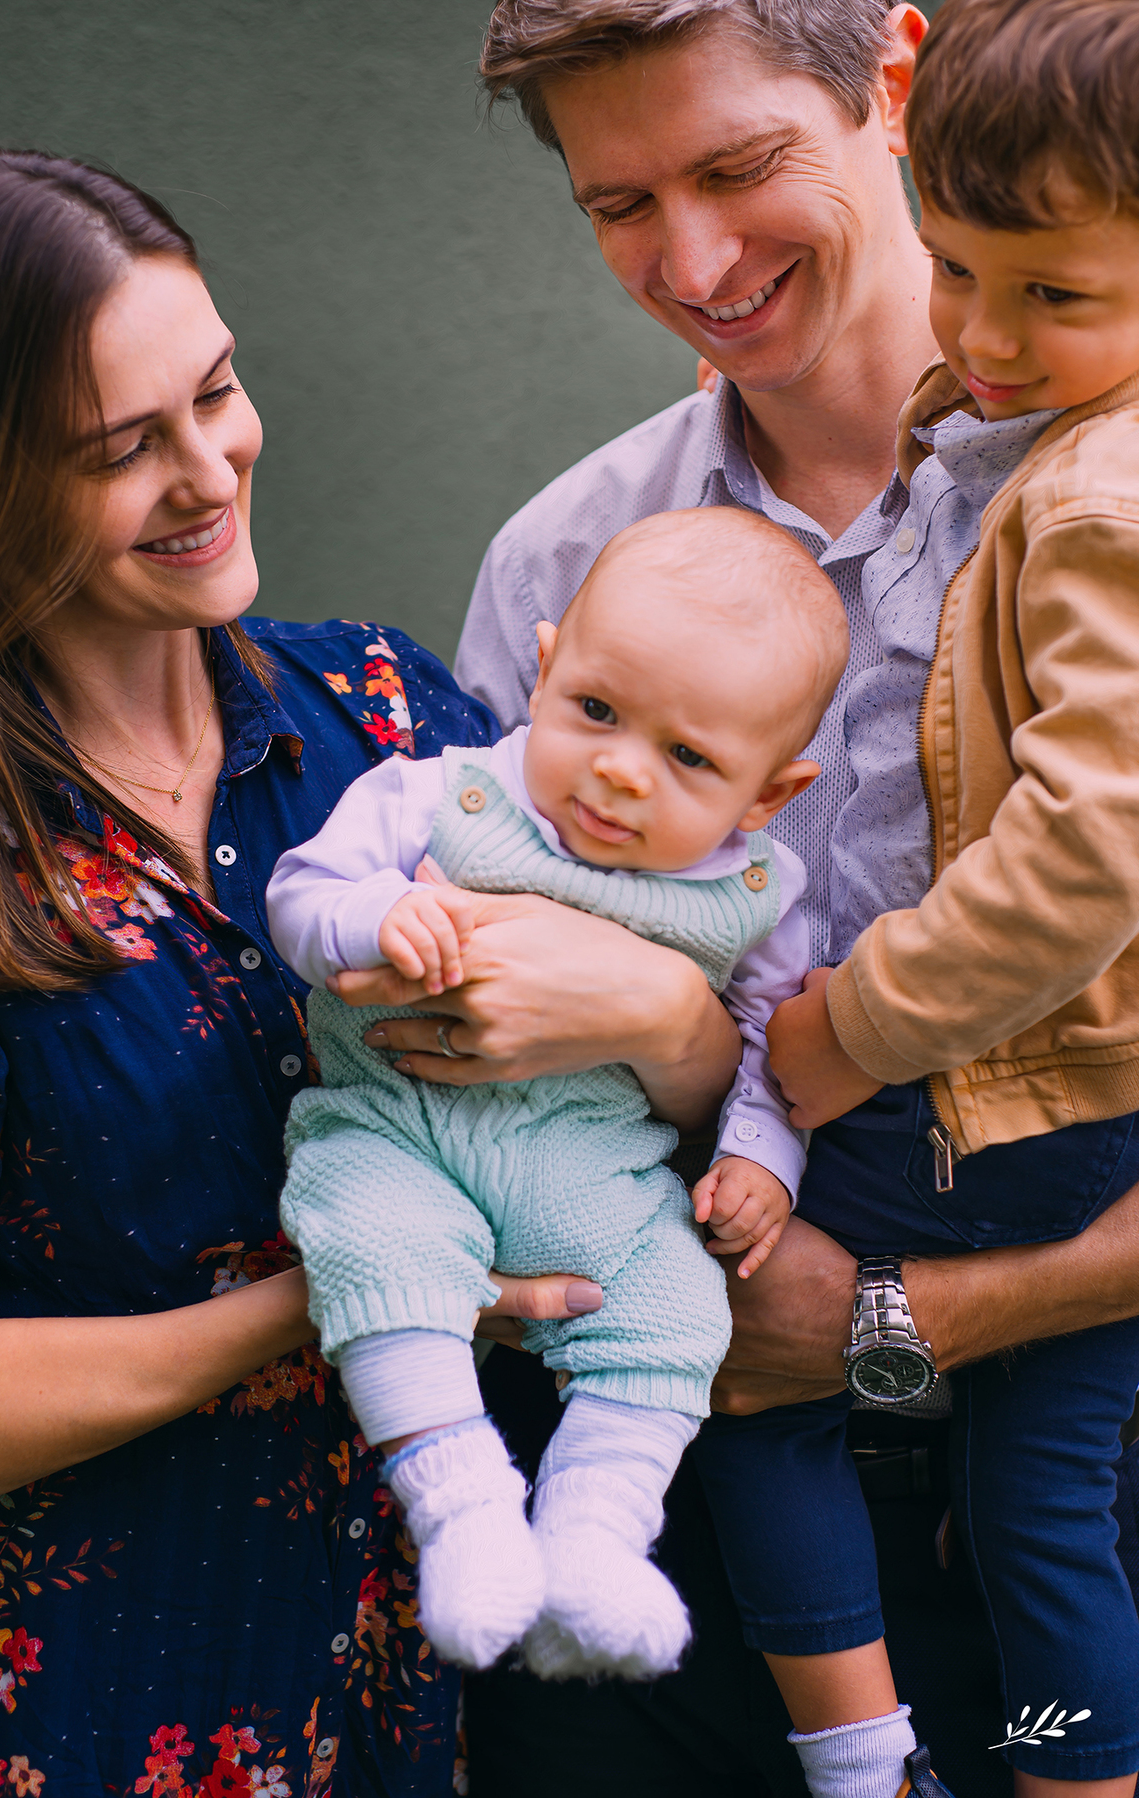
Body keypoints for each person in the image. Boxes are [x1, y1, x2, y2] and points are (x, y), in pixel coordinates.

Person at [396, 1, 1139, 1791]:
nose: (697, 259)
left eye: (738, 169)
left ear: (892, 75)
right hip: (690, 1554)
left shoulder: (1100, 504)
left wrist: (907, 1320)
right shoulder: (568, 566)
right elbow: (485, 1062)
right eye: (621, 203)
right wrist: (665, 1039)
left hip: (1093, 1498)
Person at [0, 146, 737, 1793]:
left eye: (217, 390)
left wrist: (667, 1016)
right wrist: (347, 1290)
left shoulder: (382, 710)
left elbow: (651, 1063)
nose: (207, 467)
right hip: (67, 1701)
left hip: (397, 1670)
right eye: (120, 448)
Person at [746, 2, 1139, 1793]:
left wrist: (845, 1032)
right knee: (1046, 1503)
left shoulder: (1101, 499)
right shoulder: (1006, 443)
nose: (985, 334)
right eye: (958, 267)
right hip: (1082, 1117)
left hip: (981, 1103)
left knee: (717, 1328)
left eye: (1055, 296)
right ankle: (1074, 1766)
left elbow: (1090, 846)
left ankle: (858, 1754)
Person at [265, 507, 845, 1680]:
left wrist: (759, 1165)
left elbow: (777, 1053)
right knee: (374, 1246)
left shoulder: (761, 892)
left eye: (689, 759)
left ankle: (593, 1539)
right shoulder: (438, 794)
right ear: (545, 668)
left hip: (596, 1174)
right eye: (594, 711)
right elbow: (299, 893)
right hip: (399, 1130)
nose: (621, 770)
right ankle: (463, 1505)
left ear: (769, 793)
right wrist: (373, 916)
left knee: (678, 1314)